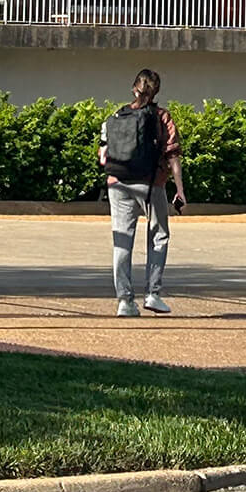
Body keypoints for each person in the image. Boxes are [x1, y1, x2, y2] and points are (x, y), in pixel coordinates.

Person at [99, 67, 186, 316]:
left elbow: (103, 156)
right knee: (158, 235)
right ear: (157, 90)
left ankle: (124, 302)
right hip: (150, 183)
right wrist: (179, 190)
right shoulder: (161, 117)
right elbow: (173, 155)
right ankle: (152, 294)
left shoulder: (115, 117)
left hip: (117, 183)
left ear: (133, 87)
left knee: (122, 240)